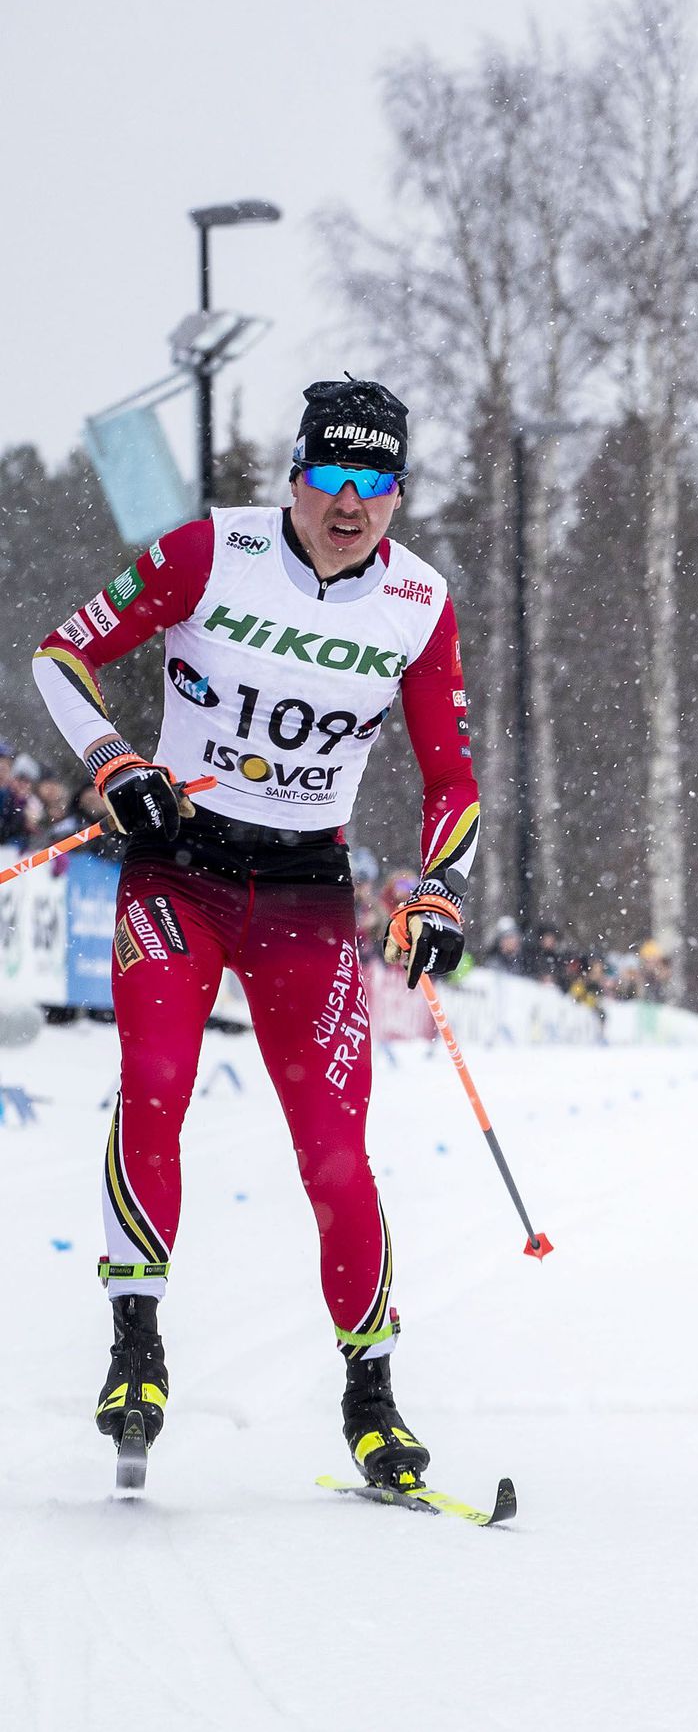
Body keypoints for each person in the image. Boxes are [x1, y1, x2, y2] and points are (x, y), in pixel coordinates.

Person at [29, 377, 481, 1491]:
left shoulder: (418, 602)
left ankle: (372, 1402)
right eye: (332, 474)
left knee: (334, 1150)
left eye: (378, 483)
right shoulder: (205, 550)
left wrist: (440, 889)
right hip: (179, 868)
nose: (352, 502)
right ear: (295, 474)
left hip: (303, 892)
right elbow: (59, 656)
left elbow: (450, 776)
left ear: (397, 495)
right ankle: (136, 1342)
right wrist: (116, 764)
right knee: (157, 1082)